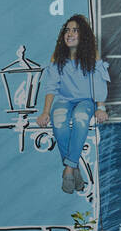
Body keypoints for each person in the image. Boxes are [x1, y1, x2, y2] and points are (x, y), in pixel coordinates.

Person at [36, 14, 109, 195]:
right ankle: (74, 168)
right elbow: (51, 86)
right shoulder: (58, 58)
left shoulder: (92, 56)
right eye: (67, 30)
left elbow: (99, 83)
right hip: (65, 100)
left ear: (82, 35)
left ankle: (68, 169)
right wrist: (45, 112)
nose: (70, 34)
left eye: (75, 30)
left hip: (86, 101)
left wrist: (100, 107)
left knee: (80, 118)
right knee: (58, 119)